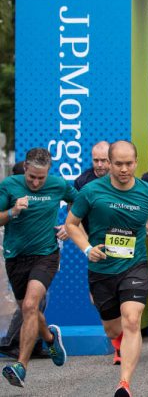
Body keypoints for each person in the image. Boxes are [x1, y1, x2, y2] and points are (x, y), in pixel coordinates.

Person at [65, 141, 148, 397]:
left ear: (136, 163)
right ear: (110, 164)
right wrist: (87, 249)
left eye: (129, 164)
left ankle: (124, 384)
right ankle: (120, 344)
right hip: (102, 268)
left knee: (132, 319)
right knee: (113, 328)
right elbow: (71, 224)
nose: (124, 169)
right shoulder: (90, 191)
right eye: (119, 164)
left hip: (134, 265)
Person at [0, 148, 73, 387]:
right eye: (31, 177)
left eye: (41, 178)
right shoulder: (9, 185)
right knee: (27, 309)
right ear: (25, 169)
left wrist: (69, 225)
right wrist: (12, 211)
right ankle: (50, 338)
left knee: (31, 305)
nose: (35, 182)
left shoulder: (58, 184)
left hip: (46, 255)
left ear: (48, 172)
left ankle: (20, 367)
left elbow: (79, 202)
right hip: (15, 257)